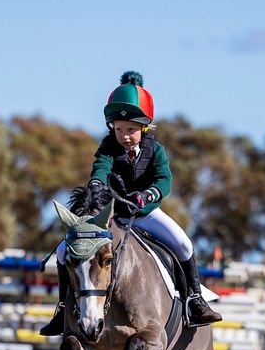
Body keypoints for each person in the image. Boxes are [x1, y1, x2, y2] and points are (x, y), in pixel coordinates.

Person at [39, 71, 223, 335]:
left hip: (145, 214)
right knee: (61, 252)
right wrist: (96, 184)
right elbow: (101, 168)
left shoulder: (155, 150)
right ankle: (62, 309)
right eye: (119, 129)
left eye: (131, 130)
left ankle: (194, 300)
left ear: (144, 127)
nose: (125, 135)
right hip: (110, 217)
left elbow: (164, 180)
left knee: (184, 244)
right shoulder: (107, 147)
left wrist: (146, 196)